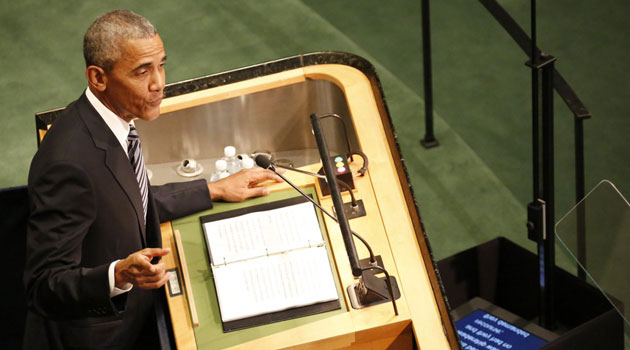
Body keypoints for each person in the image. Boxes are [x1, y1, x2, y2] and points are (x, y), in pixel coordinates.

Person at [23, 10, 280, 349]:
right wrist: (117, 274)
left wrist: (212, 189)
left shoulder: (115, 123)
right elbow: (44, 286)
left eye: (161, 65)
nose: (159, 82)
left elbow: (128, 201)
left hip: (140, 315)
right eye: (142, 71)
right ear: (98, 78)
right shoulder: (68, 163)